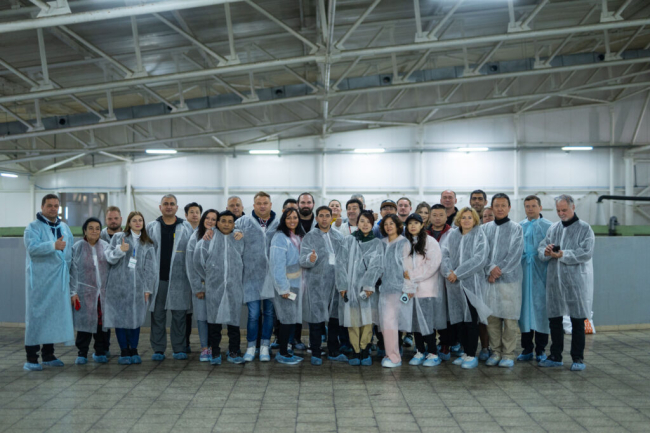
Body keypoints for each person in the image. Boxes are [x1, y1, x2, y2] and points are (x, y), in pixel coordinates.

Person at [538, 194, 595, 372]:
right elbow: (542, 247)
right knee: (555, 320)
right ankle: (555, 356)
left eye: (564, 210)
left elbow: (586, 252)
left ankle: (577, 357)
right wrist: (546, 251)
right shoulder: (553, 228)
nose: (561, 213)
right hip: (555, 282)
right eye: (558, 210)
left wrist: (563, 254)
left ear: (573, 207)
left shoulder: (585, 229)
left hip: (576, 283)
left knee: (577, 320)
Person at [23, 194, 75, 371]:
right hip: (39, 281)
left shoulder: (64, 227)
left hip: (58, 281)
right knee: (36, 317)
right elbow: (32, 248)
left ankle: (48, 354)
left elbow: (69, 252)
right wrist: (53, 246)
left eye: (56, 206)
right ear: (42, 207)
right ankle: (31, 357)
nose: (53, 209)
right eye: (49, 205)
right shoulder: (33, 227)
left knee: (52, 316)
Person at [104, 211, 157, 365]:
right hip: (119, 286)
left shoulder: (147, 243)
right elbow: (109, 258)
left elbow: (150, 268)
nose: (138, 223)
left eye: (140, 220)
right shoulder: (118, 237)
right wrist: (120, 250)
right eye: (134, 220)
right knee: (120, 320)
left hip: (138, 289)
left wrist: (147, 288)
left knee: (136, 318)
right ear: (128, 223)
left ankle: (134, 349)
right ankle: (124, 350)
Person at [441, 207, 491, 369]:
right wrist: (448, 272)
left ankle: (471, 354)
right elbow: (444, 255)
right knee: (460, 321)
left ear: (475, 219)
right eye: (463, 217)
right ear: (458, 220)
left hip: (471, 284)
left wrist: (458, 273)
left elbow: (480, 259)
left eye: (470, 217)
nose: (466, 220)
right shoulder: (452, 235)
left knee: (471, 321)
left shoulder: (479, 235)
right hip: (454, 285)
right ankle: (464, 352)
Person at [147, 194, 195, 361]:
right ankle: (158, 349)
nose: (169, 206)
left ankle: (179, 348)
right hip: (158, 280)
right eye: (165, 203)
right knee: (157, 315)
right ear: (160, 207)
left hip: (180, 280)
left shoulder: (186, 227)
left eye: (172, 204)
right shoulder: (151, 227)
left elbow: (193, 252)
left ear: (176, 207)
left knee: (179, 316)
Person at [195, 210, 246, 365]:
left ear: (234, 224)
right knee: (214, 323)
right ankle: (215, 352)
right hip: (214, 288)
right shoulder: (208, 238)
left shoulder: (238, 239)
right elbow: (198, 261)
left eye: (230, 222)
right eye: (223, 221)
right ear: (217, 223)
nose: (226, 224)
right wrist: (209, 278)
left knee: (234, 323)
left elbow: (246, 261)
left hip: (234, 288)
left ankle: (234, 351)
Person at [299, 206, 348, 365]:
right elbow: (302, 260)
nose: (324, 218)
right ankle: (315, 352)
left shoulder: (339, 237)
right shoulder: (309, 237)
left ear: (331, 217)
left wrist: (343, 283)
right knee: (316, 320)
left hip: (336, 284)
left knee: (334, 319)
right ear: (317, 218)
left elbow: (344, 261)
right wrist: (310, 258)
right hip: (316, 284)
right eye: (321, 215)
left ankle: (333, 350)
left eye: (327, 215)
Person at [234, 191, 279, 362]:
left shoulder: (278, 223)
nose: (262, 206)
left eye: (265, 203)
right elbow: (229, 232)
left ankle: (265, 346)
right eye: (259, 203)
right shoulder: (243, 222)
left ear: (270, 205)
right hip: (250, 276)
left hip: (271, 277)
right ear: (253, 205)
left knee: (269, 313)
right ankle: (251, 346)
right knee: (253, 314)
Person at [336, 210, 383, 366]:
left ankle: (365, 350)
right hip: (350, 288)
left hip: (369, 290)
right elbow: (340, 264)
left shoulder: (376, 243)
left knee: (368, 321)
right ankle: (356, 351)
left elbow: (377, 266)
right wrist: (342, 285)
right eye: (362, 221)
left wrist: (369, 285)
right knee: (353, 320)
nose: (365, 224)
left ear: (372, 224)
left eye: (368, 222)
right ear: (358, 222)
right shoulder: (348, 240)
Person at [482, 193, 524, 368]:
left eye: (503, 205)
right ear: (492, 207)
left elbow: (515, 254)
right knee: (492, 318)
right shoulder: (484, 229)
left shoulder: (516, 228)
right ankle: (495, 352)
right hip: (488, 281)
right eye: (496, 205)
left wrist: (497, 271)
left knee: (509, 318)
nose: (500, 209)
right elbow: (481, 252)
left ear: (509, 208)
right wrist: (489, 268)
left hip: (509, 281)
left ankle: (508, 354)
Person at [403, 214, 445, 368]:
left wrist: (412, 276)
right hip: (410, 290)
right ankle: (420, 350)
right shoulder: (406, 243)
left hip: (426, 290)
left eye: (416, 223)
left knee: (426, 323)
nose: (413, 226)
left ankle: (433, 353)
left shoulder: (430, 242)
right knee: (415, 323)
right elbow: (403, 265)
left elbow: (432, 265)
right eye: (410, 223)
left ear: (422, 225)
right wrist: (408, 282)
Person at [267, 208, 305, 365]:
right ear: (283, 220)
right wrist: (283, 288)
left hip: (297, 284)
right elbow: (277, 264)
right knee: (286, 320)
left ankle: (287, 350)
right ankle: (282, 353)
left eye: (295, 217)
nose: (292, 220)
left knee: (291, 320)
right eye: (288, 218)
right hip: (286, 285)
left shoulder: (298, 236)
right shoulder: (280, 237)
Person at [70, 217, 110, 365]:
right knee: (85, 323)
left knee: (101, 323)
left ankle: (100, 351)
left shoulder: (105, 246)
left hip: (102, 293)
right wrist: (73, 292)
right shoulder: (77, 247)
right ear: (85, 231)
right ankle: (82, 352)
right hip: (84, 292)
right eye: (91, 228)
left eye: (97, 228)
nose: (94, 231)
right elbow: (73, 271)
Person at [518, 195, 553, 363]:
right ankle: (526, 348)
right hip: (523, 272)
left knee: (541, 311)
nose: (530, 209)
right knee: (524, 310)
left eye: (533, 206)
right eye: (527, 206)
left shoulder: (549, 226)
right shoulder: (519, 227)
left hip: (542, 272)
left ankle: (540, 349)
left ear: (540, 207)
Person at [425, 203, 457, 360]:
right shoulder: (424, 233)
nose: (437, 218)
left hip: (447, 279)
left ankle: (445, 344)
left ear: (446, 216)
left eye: (441, 215)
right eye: (434, 215)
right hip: (427, 279)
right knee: (429, 312)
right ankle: (429, 344)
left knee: (446, 313)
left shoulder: (453, 233)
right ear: (430, 217)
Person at [377, 214, 409, 368]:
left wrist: (408, 288)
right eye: (386, 224)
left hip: (398, 289)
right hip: (384, 288)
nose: (388, 226)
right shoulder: (382, 243)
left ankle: (394, 357)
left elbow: (408, 268)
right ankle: (390, 354)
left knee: (391, 322)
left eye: (392, 223)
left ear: (398, 226)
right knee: (385, 323)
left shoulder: (404, 243)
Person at [186, 209, 217, 362]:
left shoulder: (219, 237)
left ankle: (214, 347)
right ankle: (205, 348)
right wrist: (197, 288)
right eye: (207, 218)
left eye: (214, 219)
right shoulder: (195, 238)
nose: (210, 221)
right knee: (202, 318)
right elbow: (190, 265)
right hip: (201, 286)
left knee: (214, 318)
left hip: (216, 286)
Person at [183, 201, 203, 353]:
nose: (195, 215)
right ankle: (185, 343)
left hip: (201, 279)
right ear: (186, 215)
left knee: (203, 313)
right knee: (185, 313)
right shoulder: (182, 230)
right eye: (191, 212)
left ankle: (206, 344)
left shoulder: (206, 230)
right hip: (183, 278)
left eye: (197, 212)